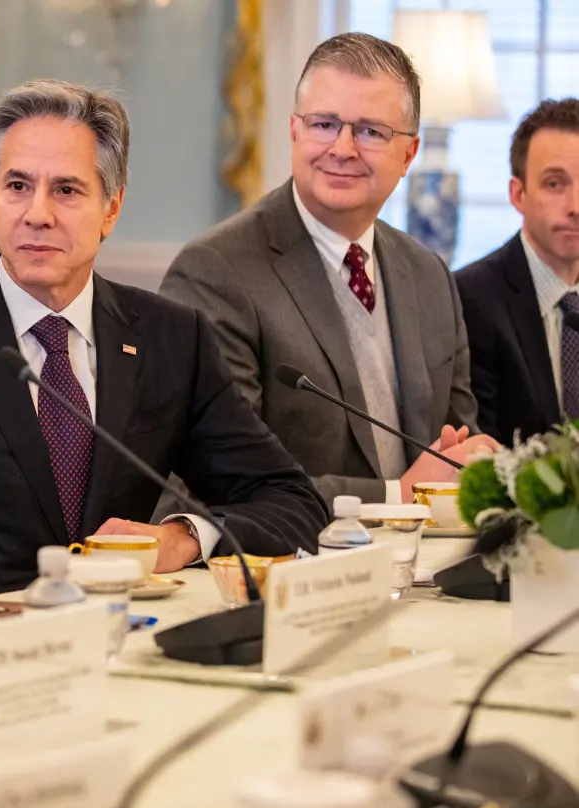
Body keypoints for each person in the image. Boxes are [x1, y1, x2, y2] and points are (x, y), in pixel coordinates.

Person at [0, 80, 329, 596]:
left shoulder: (171, 340)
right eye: (16, 186)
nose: (37, 213)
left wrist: (183, 538)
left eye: (66, 189)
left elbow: (290, 501)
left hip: (129, 652)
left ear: (111, 208)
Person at [161, 33, 497, 506]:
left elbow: (457, 448)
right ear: (294, 131)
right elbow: (223, 483)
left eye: (371, 131)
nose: (342, 148)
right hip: (293, 570)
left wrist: (479, 465)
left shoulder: (429, 275)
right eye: (324, 124)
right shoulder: (215, 272)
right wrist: (396, 494)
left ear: (409, 154)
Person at [456, 99, 579, 445]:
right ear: (518, 194)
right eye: (555, 184)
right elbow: (479, 452)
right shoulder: (470, 299)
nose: (575, 207)